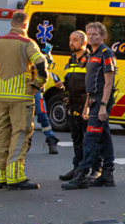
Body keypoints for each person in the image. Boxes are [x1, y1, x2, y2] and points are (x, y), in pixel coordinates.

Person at [0, 11, 48, 189]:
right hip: (21, 97)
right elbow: (40, 64)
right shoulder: (27, 43)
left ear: (11, 23)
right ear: (25, 25)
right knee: (20, 134)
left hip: (1, 96)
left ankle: (0, 177)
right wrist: (37, 83)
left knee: (1, 135)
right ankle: (15, 177)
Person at [62, 22, 117, 189]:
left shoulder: (105, 53)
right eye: (90, 34)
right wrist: (88, 104)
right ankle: (107, 174)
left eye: (96, 34)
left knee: (90, 138)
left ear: (103, 36)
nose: (92, 36)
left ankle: (82, 175)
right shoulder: (92, 53)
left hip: (101, 99)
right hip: (93, 99)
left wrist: (102, 105)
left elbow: (109, 83)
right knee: (104, 137)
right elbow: (91, 83)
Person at [59, 31, 102, 182]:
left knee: (90, 139)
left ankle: (96, 169)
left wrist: (87, 106)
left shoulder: (90, 59)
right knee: (77, 138)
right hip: (73, 104)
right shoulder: (71, 59)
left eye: (75, 40)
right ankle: (78, 167)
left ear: (84, 43)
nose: (72, 43)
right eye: (70, 40)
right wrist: (62, 85)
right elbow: (70, 81)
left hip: (86, 105)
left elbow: (92, 86)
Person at [33, 43, 60, 155]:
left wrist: (48, 54)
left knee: (42, 114)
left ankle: (51, 138)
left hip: (35, 90)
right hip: (20, 89)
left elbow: (48, 63)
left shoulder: (36, 56)